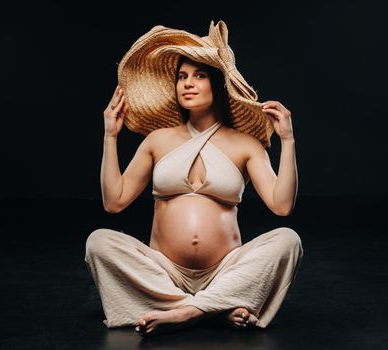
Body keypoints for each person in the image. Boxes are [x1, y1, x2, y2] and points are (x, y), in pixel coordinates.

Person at [85, 20, 303, 337]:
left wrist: (288, 140)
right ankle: (214, 309)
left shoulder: (246, 145)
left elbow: (282, 206)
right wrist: (110, 136)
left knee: (288, 240)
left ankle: (185, 311)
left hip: (226, 271)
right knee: (99, 242)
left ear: (218, 84)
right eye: (182, 77)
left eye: (199, 75)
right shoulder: (158, 140)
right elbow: (114, 201)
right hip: (164, 271)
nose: (188, 83)